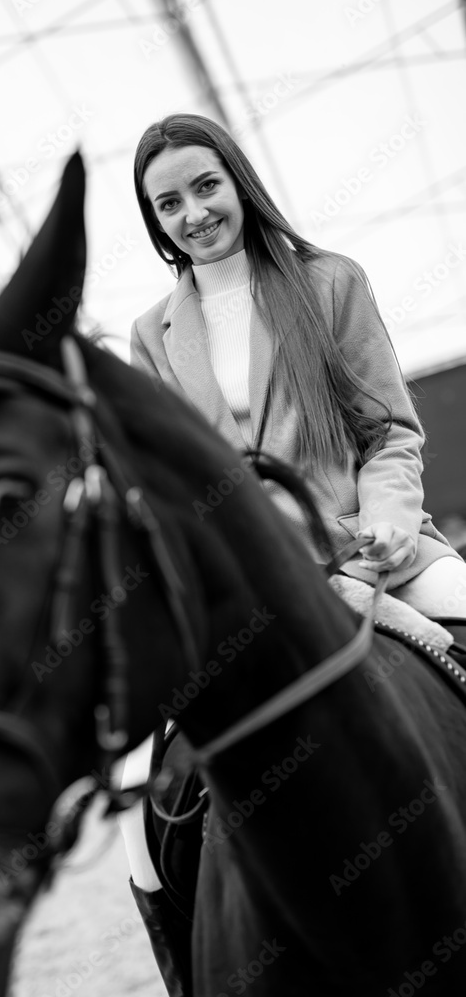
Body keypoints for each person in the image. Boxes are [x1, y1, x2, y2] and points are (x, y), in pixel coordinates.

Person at [120, 112, 466, 996]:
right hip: (247, 594)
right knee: (138, 817)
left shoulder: (327, 282)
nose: (193, 213)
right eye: (169, 203)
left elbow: (387, 431)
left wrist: (383, 529)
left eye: (205, 187)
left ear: (237, 181)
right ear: (154, 220)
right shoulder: (151, 336)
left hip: (375, 548)